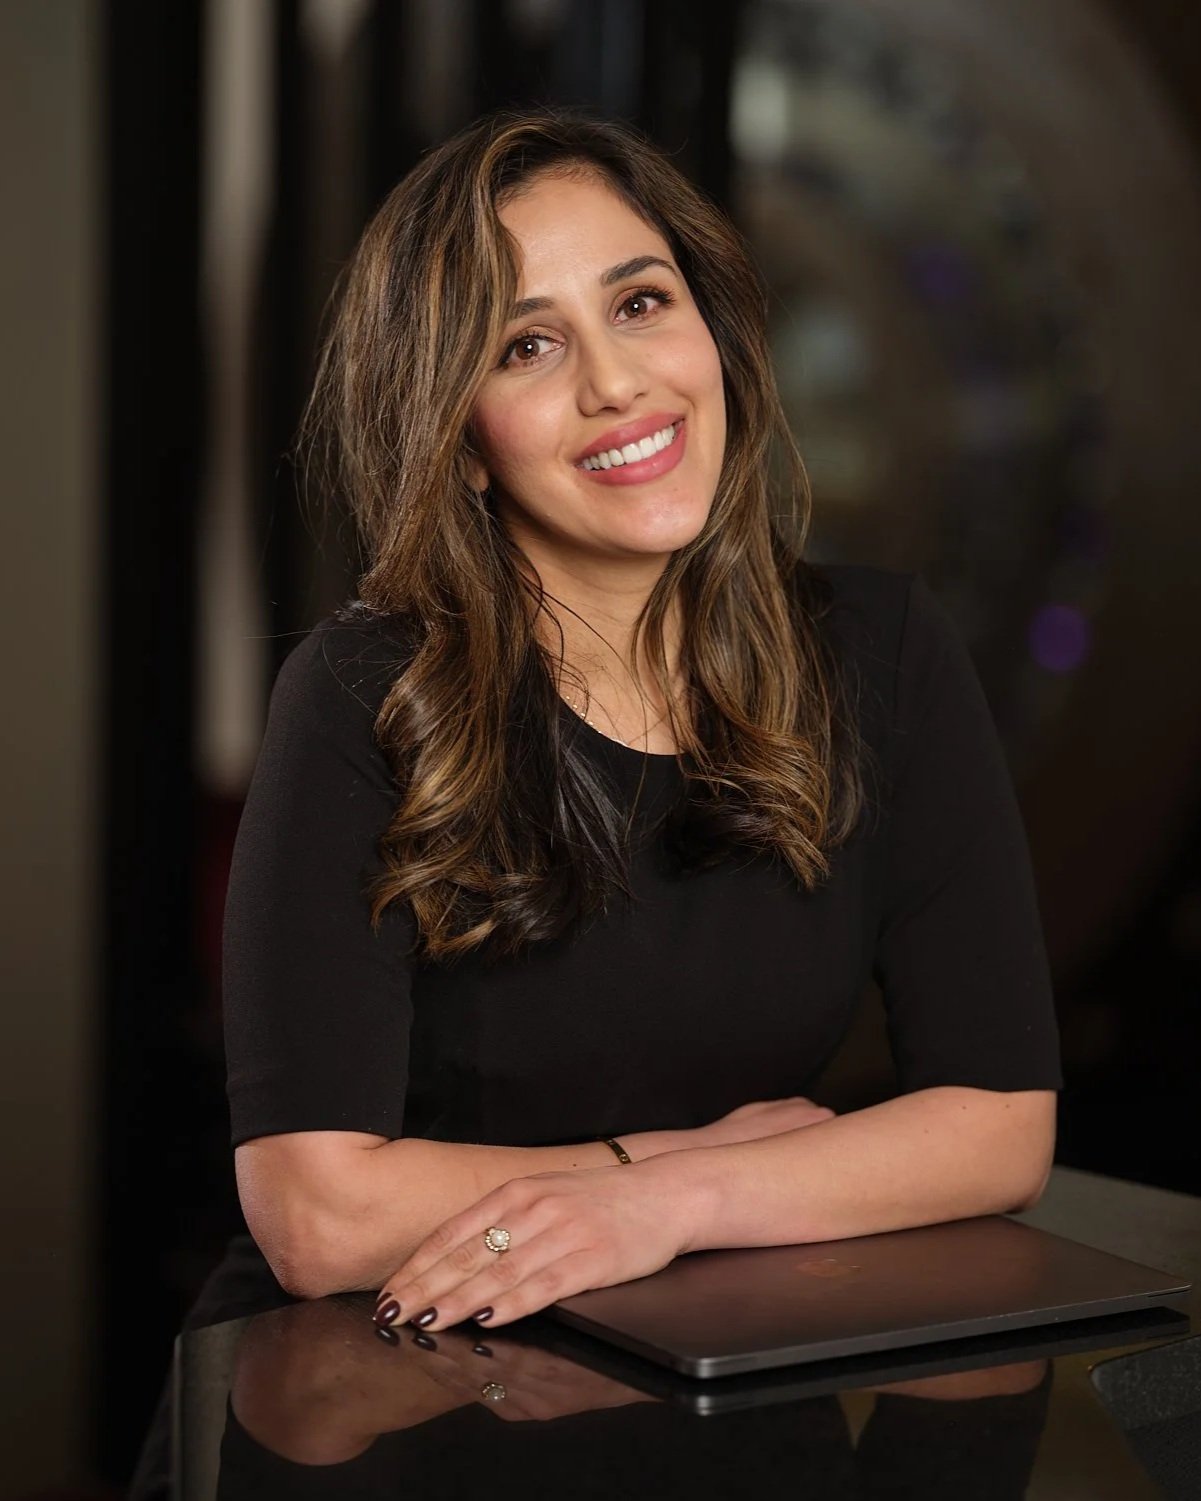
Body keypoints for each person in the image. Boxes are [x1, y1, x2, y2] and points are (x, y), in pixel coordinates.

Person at [222, 108, 1061, 1341]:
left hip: (729, 1364)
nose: (616, 384)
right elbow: (316, 1218)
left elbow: (996, 1125)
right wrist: (647, 1170)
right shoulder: (361, 693)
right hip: (396, 1376)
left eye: (639, 304)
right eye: (525, 346)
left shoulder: (879, 653)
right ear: (456, 439)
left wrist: (673, 1202)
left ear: (711, 327)